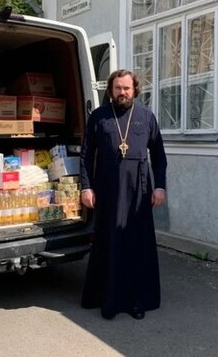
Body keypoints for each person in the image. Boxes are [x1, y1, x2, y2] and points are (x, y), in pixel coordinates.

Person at [80, 68, 168, 320]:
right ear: (111, 90)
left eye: (127, 88)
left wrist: (159, 186)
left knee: (135, 246)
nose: (122, 92)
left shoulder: (146, 117)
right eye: (118, 88)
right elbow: (86, 156)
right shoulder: (99, 117)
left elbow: (159, 157)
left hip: (139, 192)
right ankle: (107, 299)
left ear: (135, 90)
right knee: (109, 243)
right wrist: (86, 187)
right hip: (107, 191)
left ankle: (136, 301)